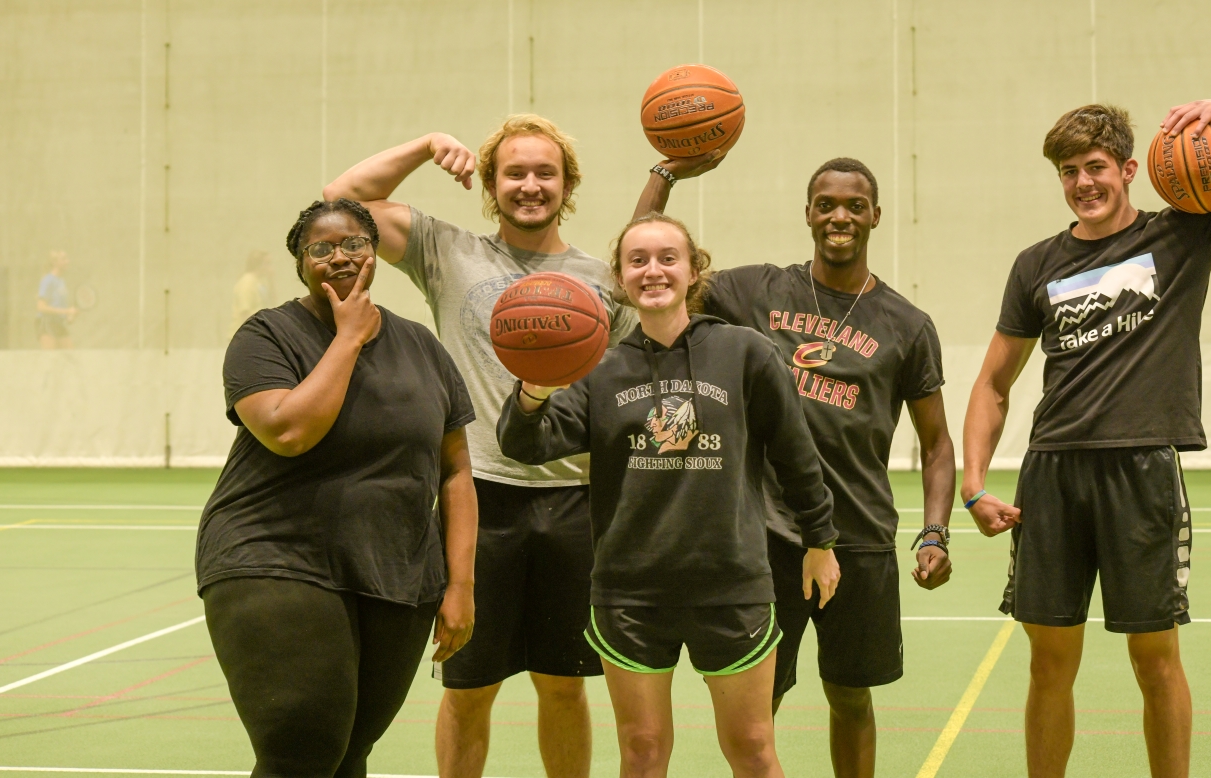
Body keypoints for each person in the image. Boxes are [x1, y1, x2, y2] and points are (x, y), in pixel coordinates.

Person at [962, 100, 1211, 778]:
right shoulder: (1035, 264)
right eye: (1070, 171)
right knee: (1049, 664)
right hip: (1052, 473)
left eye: (1097, 167)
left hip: (1142, 472)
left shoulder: (1186, 235)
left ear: (1131, 169)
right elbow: (993, 382)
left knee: (1155, 659)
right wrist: (974, 485)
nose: (1084, 183)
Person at [324, 115, 635, 778]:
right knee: (469, 689)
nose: (530, 185)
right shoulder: (448, 250)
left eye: (544, 172)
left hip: (575, 502)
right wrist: (423, 145)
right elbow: (338, 205)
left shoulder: (604, 280)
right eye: (514, 172)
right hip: (475, 500)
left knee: (563, 684)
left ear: (567, 183)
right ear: (491, 184)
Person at [633, 155, 957, 777]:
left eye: (854, 206)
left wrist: (935, 531)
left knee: (850, 695)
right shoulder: (755, 291)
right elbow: (647, 259)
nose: (840, 216)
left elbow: (937, 442)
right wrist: (665, 175)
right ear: (807, 213)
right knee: (759, 705)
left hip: (858, 535)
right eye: (827, 204)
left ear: (875, 217)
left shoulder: (907, 326)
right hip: (766, 538)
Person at [499, 212, 841, 778]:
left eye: (667, 258)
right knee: (642, 752)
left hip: (731, 584)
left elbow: (796, 455)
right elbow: (524, 443)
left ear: (692, 270)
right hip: (631, 591)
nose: (652, 271)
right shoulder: (598, 366)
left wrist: (820, 540)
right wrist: (536, 380)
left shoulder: (746, 353)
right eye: (637, 261)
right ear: (619, 277)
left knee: (753, 748)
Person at [195, 198, 479, 777]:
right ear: (301, 264)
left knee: (349, 754)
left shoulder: (423, 346)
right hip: (274, 556)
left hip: (395, 573)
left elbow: (455, 471)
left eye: (354, 244)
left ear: (376, 254)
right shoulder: (267, 336)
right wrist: (348, 337)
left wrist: (460, 585)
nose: (340, 258)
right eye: (320, 249)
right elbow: (289, 431)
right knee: (300, 752)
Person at [36, 249, 76, 349]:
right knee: (50, 360)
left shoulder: (62, 281)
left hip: (59, 323)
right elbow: (41, 307)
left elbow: (58, 306)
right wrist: (67, 311)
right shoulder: (47, 280)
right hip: (46, 323)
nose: (68, 261)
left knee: (70, 356)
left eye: (67, 258)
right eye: (64, 259)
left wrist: (69, 316)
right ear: (54, 262)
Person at [232, 249, 276, 330]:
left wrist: (271, 281)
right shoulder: (247, 282)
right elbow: (245, 312)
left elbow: (272, 303)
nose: (270, 268)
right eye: (268, 264)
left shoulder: (259, 282)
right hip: (246, 333)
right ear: (258, 264)